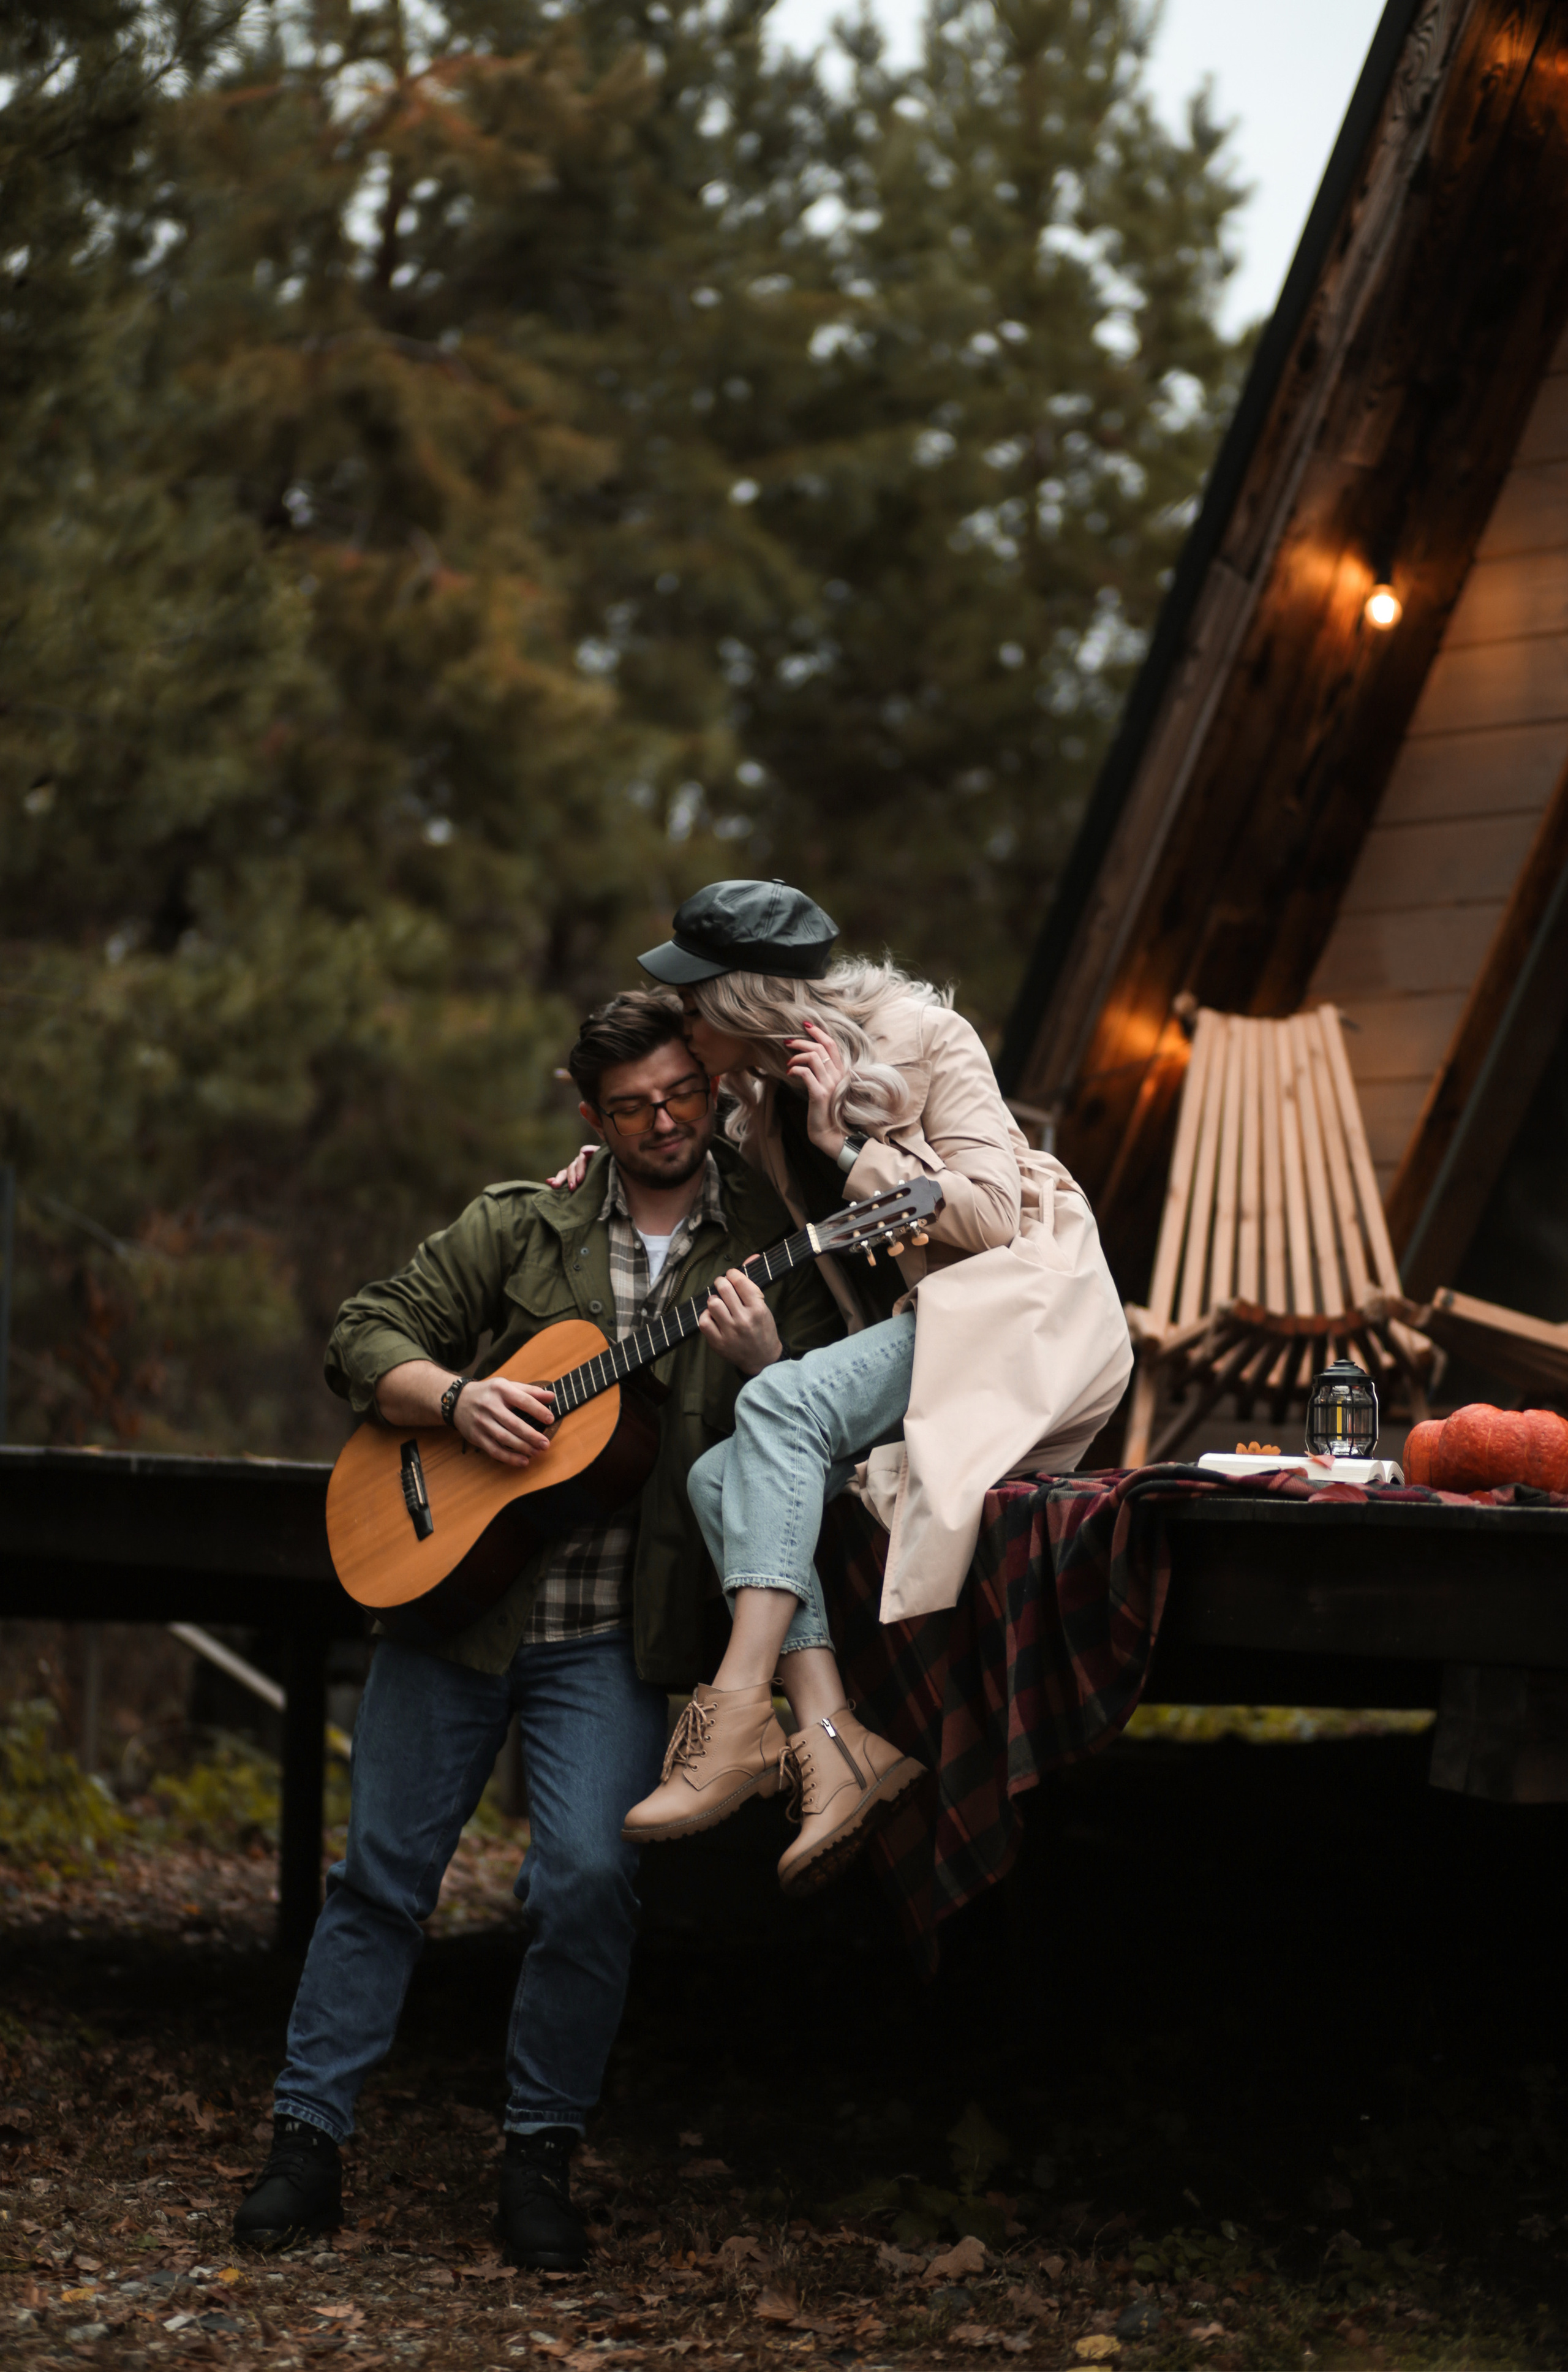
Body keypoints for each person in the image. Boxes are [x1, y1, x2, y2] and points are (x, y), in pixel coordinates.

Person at [233, 989, 842, 2267]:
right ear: (589, 1113)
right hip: (454, 1616)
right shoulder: (524, 1221)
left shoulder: (768, 1237)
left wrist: (765, 1359)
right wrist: (456, 1401)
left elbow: (830, 1414)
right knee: (381, 1879)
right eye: (632, 1107)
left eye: (682, 1095)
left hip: (614, 1638)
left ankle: (539, 2157)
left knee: (586, 1885)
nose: (665, 1122)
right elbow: (363, 1333)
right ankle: (305, 2144)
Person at [608, 880, 1134, 1894]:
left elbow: (990, 1218)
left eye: (692, 997)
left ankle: (735, 1712)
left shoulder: (927, 1037)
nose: (680, 1016)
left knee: (777, 1400)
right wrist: (604, 1171)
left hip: (1017, 1320)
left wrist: (846, 1148)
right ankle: (835, 1741)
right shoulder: (756, 1095)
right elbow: (675, 1159)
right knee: (717, 1478)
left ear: (745, 997)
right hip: (918, 1335)